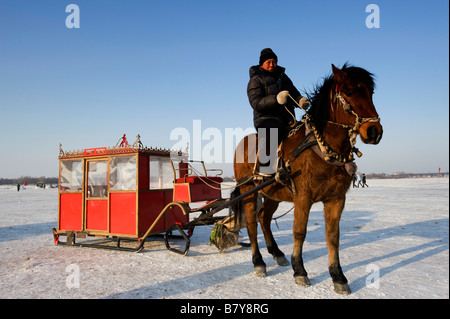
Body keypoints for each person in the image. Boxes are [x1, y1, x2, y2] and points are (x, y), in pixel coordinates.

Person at [247, 48, 308, 175]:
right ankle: (265, 167)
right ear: (261, 63)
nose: (272, 64)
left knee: (305, 131)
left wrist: (300, 100)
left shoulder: (283, 77)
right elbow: (256, 103)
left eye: (274, 61)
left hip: (286, 119)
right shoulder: (256, 79)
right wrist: (276, 99)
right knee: (272, 130)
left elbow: (293, 93)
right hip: (265, 119)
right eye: (268, 62)